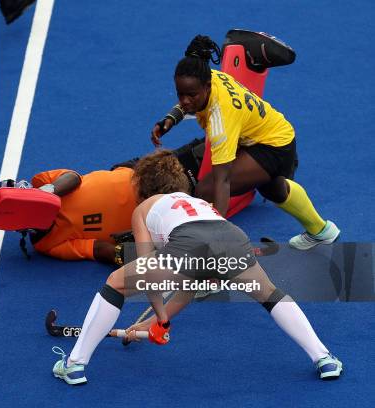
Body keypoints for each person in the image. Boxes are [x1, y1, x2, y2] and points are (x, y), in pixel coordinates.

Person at [51, 149, 342, 385]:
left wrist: (161, 318)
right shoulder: (195, 202)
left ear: (142, 186)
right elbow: (189, 284)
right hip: (231, 237)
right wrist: (154, 321)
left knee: (116, 282)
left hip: (190, 242)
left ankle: (75, 364)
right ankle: (323, 357)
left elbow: (146, 271)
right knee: (269, 293)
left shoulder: (144, 208)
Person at [151, 35, 339, 250]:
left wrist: (214, 240)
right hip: (273, 133)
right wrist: (171, 118)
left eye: (191, 95)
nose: (184, 101)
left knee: (206, 189)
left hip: (273, 146)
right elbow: (188, 98)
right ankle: (322, 231)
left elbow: (223, 182)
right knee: (273, 190)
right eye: (180, 94)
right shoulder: (205, 76)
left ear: (206, 86)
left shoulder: (220, 118)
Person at [28, 166, 137, 265]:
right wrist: (124, 255)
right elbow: (97, 248)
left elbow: (73, 177)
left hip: (136, 174)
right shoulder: (46, 244)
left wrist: (45, 194)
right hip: (146, 220)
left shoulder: (40, 183)